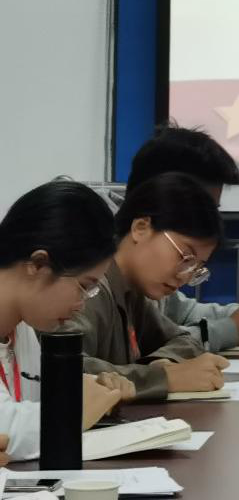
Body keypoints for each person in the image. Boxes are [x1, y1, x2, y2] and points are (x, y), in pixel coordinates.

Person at [0, 181, 138, 461]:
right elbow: (7, 430)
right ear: (38, 264)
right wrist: (75, 408)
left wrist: (94, 393)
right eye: (84, 286)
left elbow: (25, 418)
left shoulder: (21, 326)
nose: (81, 304)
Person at [64, 172, 231, 401]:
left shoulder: (133, 292)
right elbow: (64, 371)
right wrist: (164, 378)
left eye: (196, 268)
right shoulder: (89, 288)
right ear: (140, 228)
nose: (184, 277)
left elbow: (185, 341)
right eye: (185, 257)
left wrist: (164, 363)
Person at [127, 124, 239, 350]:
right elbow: (155, 347)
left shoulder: (148, 263)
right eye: (200, 207)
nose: (208, 220)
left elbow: (179, 315)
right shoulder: (99, 266)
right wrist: (232, 329)